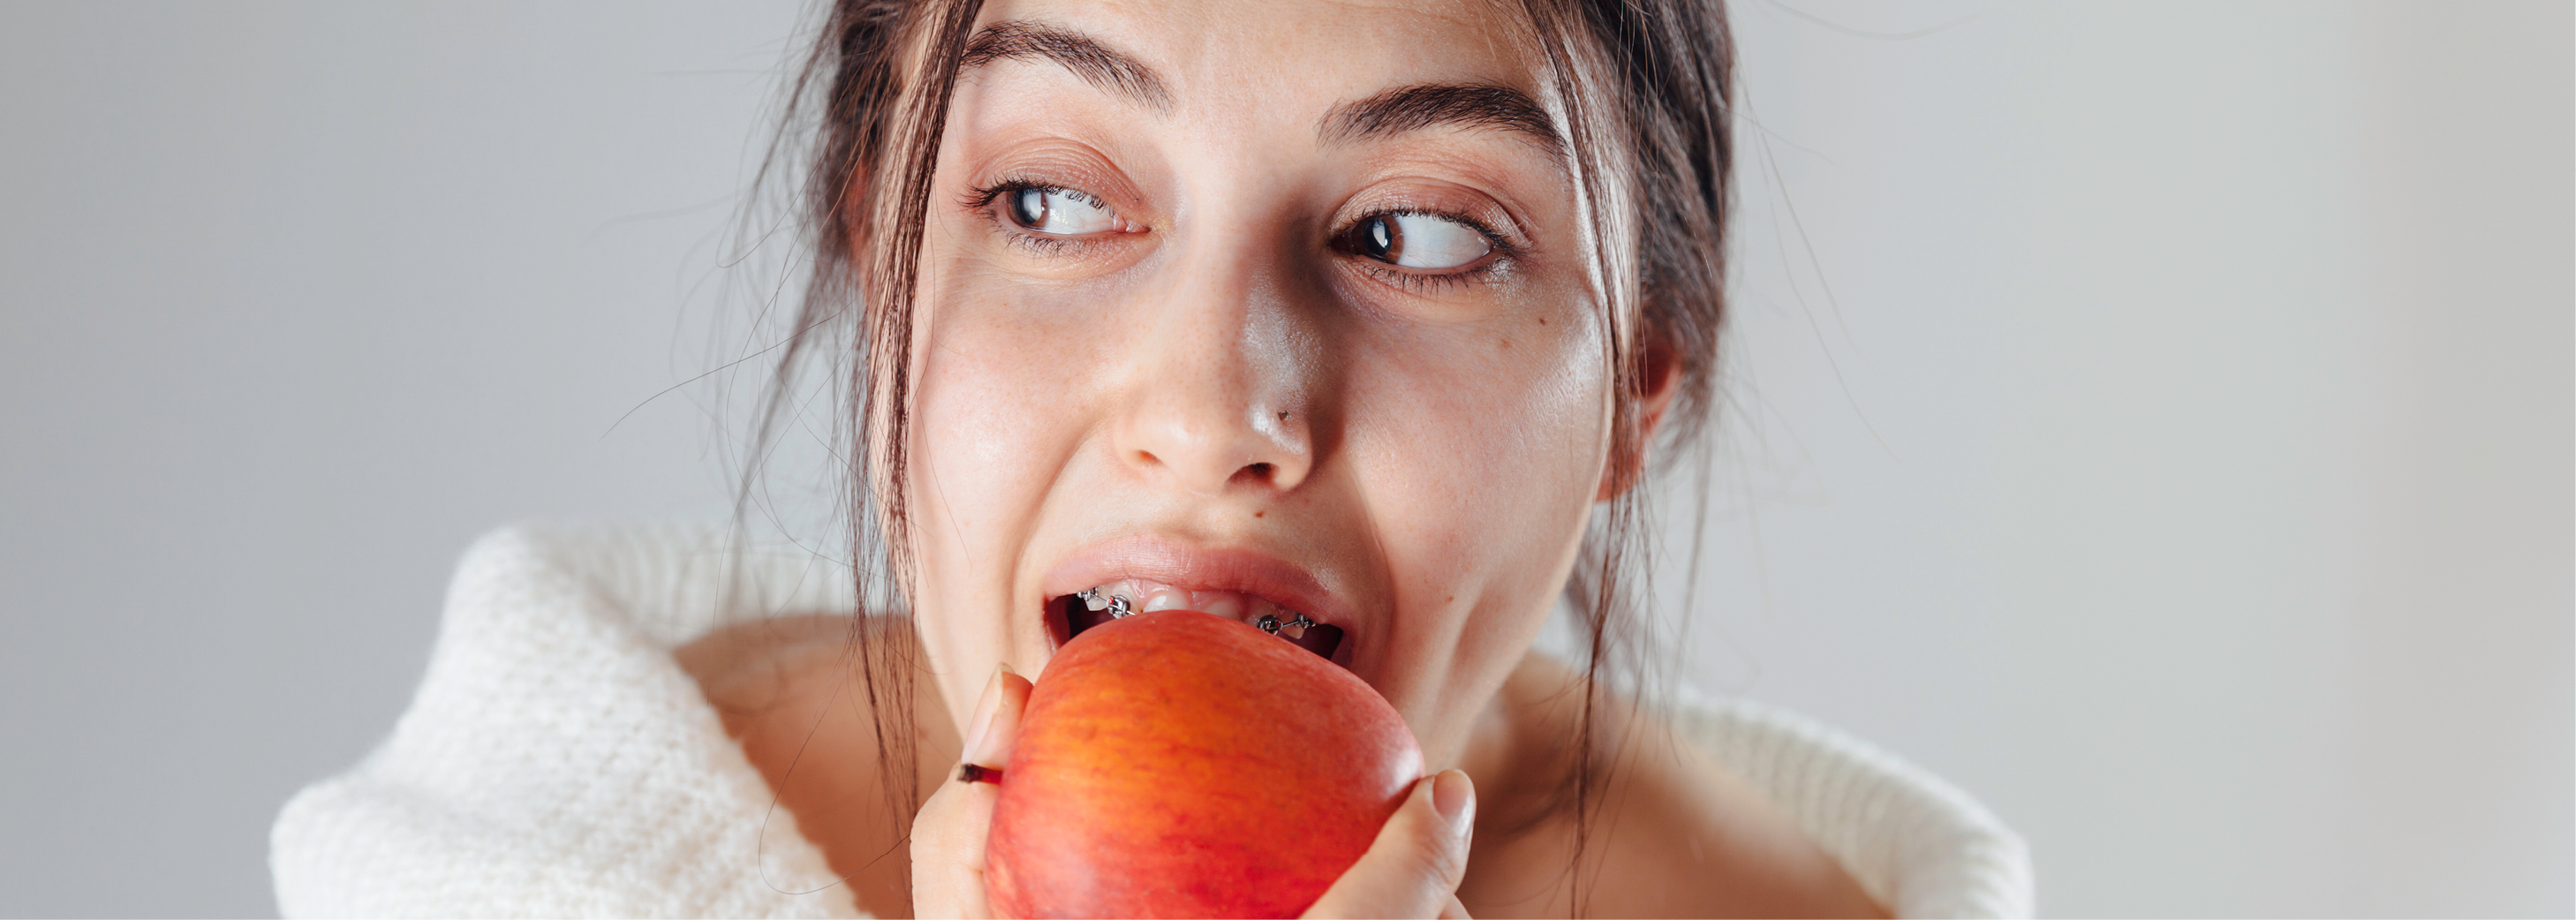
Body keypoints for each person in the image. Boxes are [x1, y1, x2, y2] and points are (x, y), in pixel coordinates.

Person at [273, 0, 2032, 916]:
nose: (1211, 405)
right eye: (1048, 200)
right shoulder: (519, 874)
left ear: (1639, 386)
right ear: (880, 262)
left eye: (1418, 234)